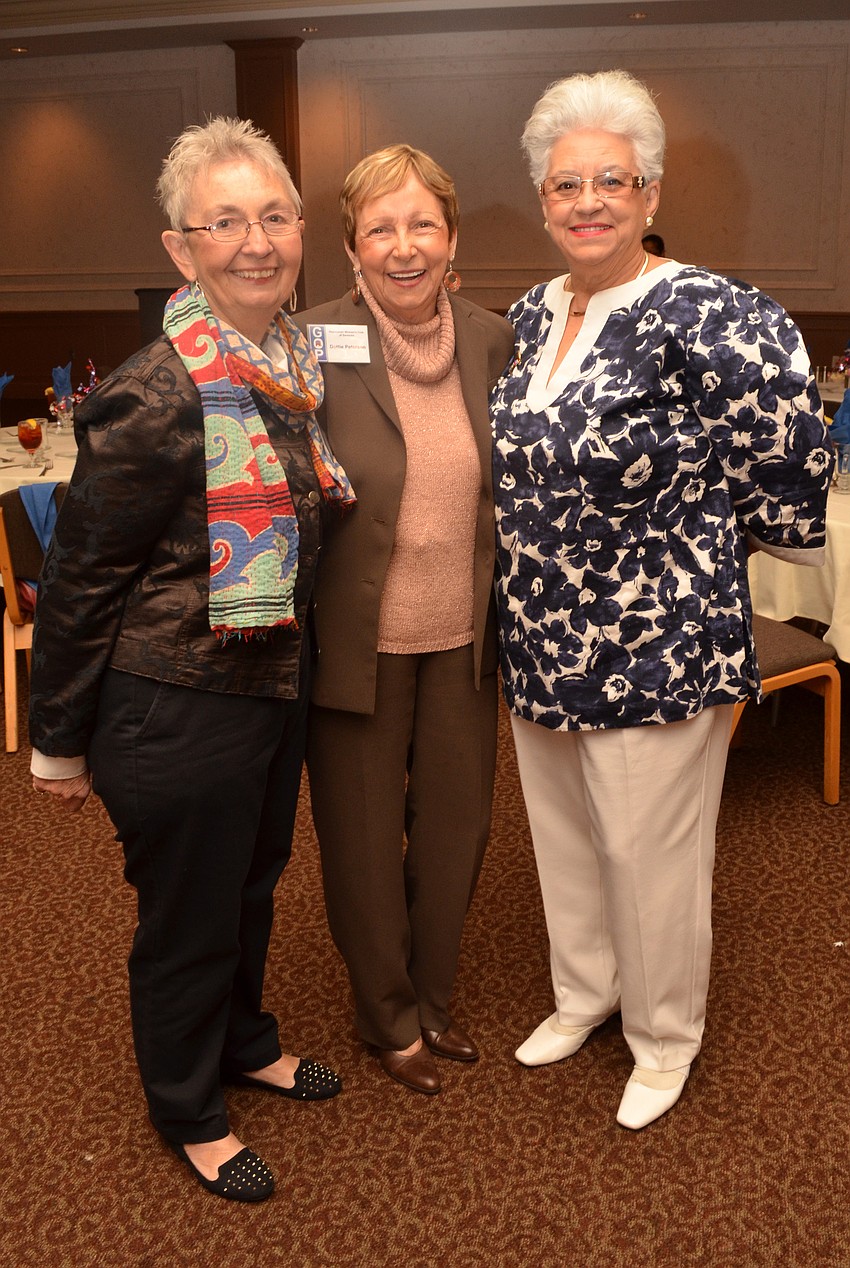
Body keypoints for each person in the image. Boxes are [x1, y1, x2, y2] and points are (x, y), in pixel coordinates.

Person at [490, 70, 832, 1130]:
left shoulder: (712, 310)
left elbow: (787, 470)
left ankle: (663, 1036)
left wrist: (691, 554)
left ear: (647, 191)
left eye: (610, 180)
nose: (585, 201)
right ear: (541, 200)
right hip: (540, 635)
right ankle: (585, 995)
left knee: (650, 855)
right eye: (564, 185)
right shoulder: (527, 311)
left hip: (656, 647)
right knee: (563, 839)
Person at [28, 117, 355, 1200]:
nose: (254, 241)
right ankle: (188, 1105)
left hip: (266, 684)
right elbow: (81, 577)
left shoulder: (288, 361)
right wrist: (57, 741)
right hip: (171, 705)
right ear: (181, 248)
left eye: (272, 215)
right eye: (225, 222)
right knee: (188, 912)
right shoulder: (156, 389)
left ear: (300, 229)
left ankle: (245, 1038)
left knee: (250, 885)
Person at [296, 145, 514, 1095]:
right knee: (361, 838)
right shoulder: (307, 342)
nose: (404, 246)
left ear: (452, 236)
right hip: (355, 645)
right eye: (380, 228)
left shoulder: (493, 340)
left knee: (459, 830)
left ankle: (432, 998)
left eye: (422, 223)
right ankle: (386, 1018)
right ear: (351, 249)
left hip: (465, 641)